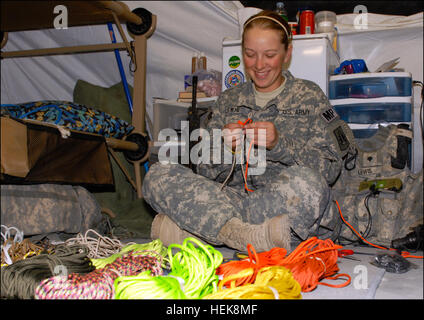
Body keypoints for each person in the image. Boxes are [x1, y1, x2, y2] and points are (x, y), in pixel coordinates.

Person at [142, 10, 352, 252]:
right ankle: (244, 235)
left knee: (308, 185)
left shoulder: (309, 96)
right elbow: (203, 170)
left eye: (269, 55)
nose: (259, 65)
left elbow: (330, 168)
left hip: (280, 201)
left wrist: (280, 145)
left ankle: (203, 229)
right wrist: (224, 147)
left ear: (287, 53)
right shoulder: (229, 99)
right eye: (250, 55)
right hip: (230, 199)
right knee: (158, 174)